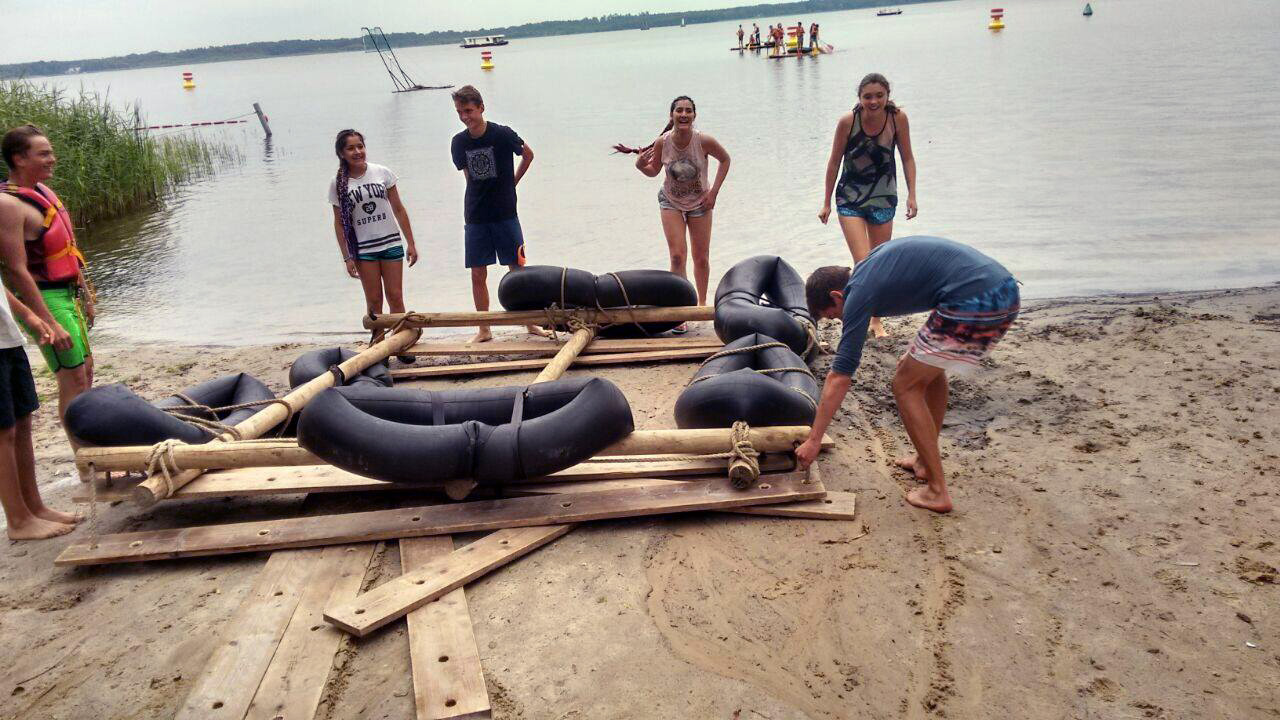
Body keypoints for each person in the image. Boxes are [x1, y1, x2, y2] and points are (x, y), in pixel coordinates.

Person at [795, 236, 1019, 514]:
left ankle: (937, 491)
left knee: (905, 385)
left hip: (977, 299)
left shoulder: (858, 293)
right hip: (1001, 290)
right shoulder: (867, 272)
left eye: (833, 316)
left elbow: (840, 376)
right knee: (922, 371)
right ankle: (924, 462)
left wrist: (814, 439)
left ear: (836, 296)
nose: (841, 320)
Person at [0, 124, 94, 464]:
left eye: (50, 152)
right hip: (46, 299)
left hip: (67, 295)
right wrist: (48, 321)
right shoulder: (8, 204)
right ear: (19, 159)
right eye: (43, 154)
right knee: (73, 380)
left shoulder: (41, 191)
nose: (52, 159)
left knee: (86, 373)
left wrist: (85, 293)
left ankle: (93, 452)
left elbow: (67, 249)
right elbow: (16, 270)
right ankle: (85, 462)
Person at [818, 72, 917, 338]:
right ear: (859, 98)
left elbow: (907, 158)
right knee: (863, 263)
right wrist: (826, 201)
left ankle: (876, 319)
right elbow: (833, 162)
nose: (873, 101)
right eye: (867, 97)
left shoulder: (897, 119)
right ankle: (856, 316)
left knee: (879, 263)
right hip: (849, 198)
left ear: (887, 96)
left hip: (883, 197)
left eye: (879, 96)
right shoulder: (848, 122)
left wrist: (912, 194)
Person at [450, 85, 550, 343]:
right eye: (460, 112)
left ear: (481, 107)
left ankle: (529, 323)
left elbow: (528, 155)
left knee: (517, 269)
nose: (465, 117)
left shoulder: (503, 134)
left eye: (469, 111)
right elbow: (468, 177)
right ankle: (484, 328)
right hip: (475, 215)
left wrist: (513, 183)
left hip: (506, 212)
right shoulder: (459, 142)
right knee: (477, 273)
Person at [624, 96, 730, 332]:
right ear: (671, 116)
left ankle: (700, 306)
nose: (683, 114)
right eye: (679, 110)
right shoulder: (662, 142)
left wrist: (713, 193)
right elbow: (653, 171)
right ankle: (681, 311)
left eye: (688, 111)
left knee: (701, 258)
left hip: (700, 202)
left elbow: (725, 160)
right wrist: (640, 166)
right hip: (670, 201)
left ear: (694, 116)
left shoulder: (704, 141)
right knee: (677, 257)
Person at [328, 128, 419, 362]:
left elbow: (399, 209)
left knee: (396, 297)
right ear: (342, 153)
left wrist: (411, 243)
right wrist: (347, 257)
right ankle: (378, 347)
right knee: (374, 301)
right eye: (351, 148)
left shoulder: (382, 173)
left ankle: (401, 343)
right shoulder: (338, 184)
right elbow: (339, 224)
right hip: (364, 250)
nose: (357, 151)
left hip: (390, 243)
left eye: (360, 146)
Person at [0, 287, 78, 540]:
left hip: (7, 337)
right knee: (3, 431)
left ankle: (34, 507)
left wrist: (27, 315)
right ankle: (18, 520)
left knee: (22, 419)